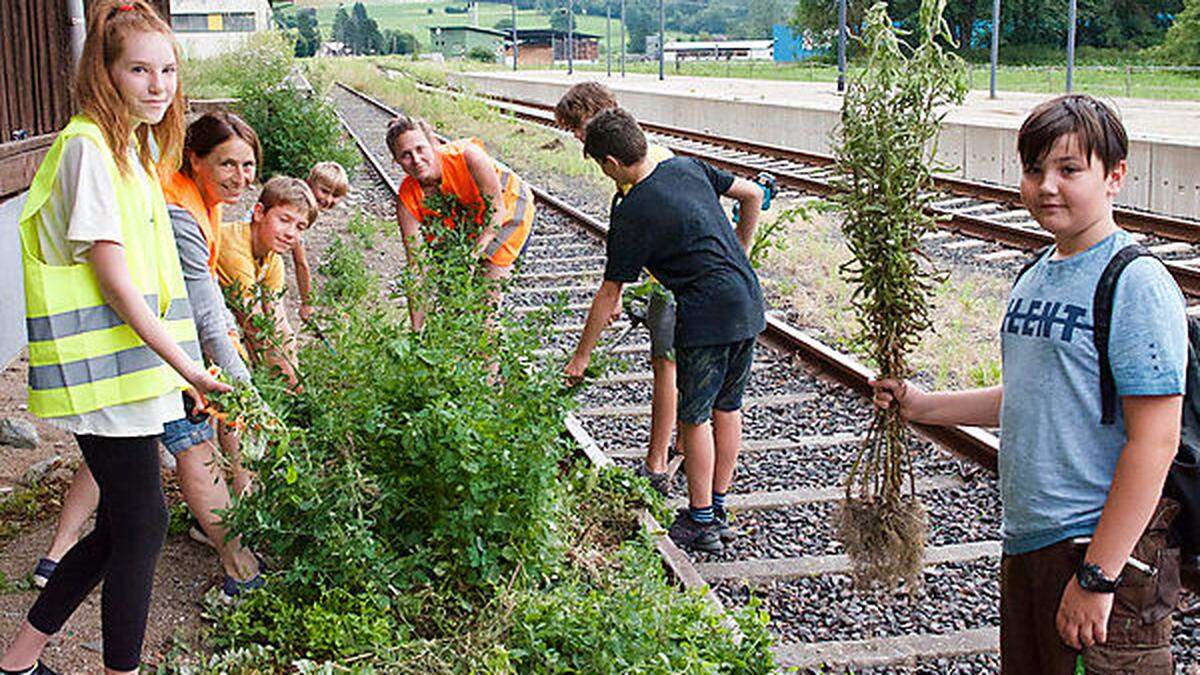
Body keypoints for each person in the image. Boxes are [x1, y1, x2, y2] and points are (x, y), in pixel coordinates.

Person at [872, 94, 1186, 673]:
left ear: (1114, 176)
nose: (1047, 186)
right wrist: (922, 406)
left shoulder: (1135, 282)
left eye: (1069, 170)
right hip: (1029, 540)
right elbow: (1033, 397)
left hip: (1099, 548)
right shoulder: (1035, 273)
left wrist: (1097, 575)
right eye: (1034, 169)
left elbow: (1155, 441)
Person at [0, 3, 229, 674]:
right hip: (105, 377)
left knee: (126, 525)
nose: (158, 85)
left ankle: (17, 661)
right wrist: (190, 364)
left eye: (168, 69)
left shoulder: (130, 149)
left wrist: (179, 373)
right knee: (143, 526)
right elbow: (116, 283)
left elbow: (159, 281)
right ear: (104, 73)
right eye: (138, 69)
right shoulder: (88, 149)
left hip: (134, 374)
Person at [30, 111, 264, 603]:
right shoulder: (179, 210)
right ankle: (239, 568)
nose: (241, 178)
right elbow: (202, 313)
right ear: (195, 160)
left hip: (140, 352)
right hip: (158, 354)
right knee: (193, 450)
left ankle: (57, 551)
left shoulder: (197, 198)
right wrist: (247, 395)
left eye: (249, 166)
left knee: (108, 455)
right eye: (228, 164)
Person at [564, 108, 766, 554]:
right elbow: (752, 195)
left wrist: (581, 357)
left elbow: (609, 292)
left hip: (706, 315)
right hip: (748, 302)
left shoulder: (633, 209)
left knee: (694, 419)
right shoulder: (686, 166)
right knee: (727, 408)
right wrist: (741, 251)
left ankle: (701, 522)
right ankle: (718, 508)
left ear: (611, 164)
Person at [555, 82, 678, 496]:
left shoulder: (638, 174)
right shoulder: (651, 156)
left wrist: (581, 357)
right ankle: (683, 442)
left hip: (676, 286)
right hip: (686, 280)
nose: (575, 138)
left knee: (667, 366)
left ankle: (656, 464)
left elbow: (611, 282)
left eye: (577, 127)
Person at [386, 115, 534, 331]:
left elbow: (496, 213)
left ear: (434, 144)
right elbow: (417, 267)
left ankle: (487, 362)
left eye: (420, 149)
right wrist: (416, 332)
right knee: (453, 303)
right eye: (406, 155)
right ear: (397, 161)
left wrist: (472, 256)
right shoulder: (407, 200)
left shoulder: (468, 156)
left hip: (509, 211)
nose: (416, 159)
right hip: (470, 222)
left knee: (482, 306)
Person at [216, 176, 317, 389]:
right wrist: (292, 389)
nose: (291, 233)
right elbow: (254, 323)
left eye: (300, 227)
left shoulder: (273, 259)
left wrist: (294, 377)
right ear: (259, 212)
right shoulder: (235, 249)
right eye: (284, 220)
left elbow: (277, 320)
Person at [293, 161, 349, 323]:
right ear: (310, 183)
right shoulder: (298, 206)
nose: (328, 199)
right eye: (324, 191)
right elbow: (300, 262)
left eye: (336, 196)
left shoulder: (301, 199)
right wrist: (307, 304)